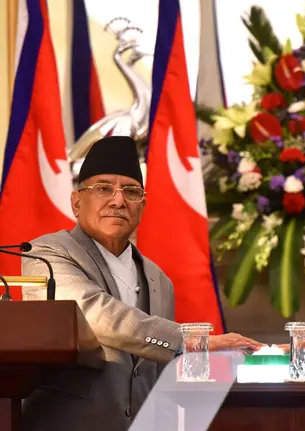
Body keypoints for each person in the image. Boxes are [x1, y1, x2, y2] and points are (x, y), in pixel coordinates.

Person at [20, 136, 264, 431]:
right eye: (103, 188)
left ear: (142, 206)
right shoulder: (46, 254)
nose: (118, 200)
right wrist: (192, 341)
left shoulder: (159, 279)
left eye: (131, 191)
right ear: (76, 201)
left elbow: (157, 372)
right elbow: (93, 314)